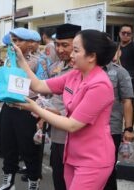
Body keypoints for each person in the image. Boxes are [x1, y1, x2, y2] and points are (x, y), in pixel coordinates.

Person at [14, 29, 117, 190]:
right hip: (72, 156)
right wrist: (21, 61)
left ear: (91, 56)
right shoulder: (74, 75)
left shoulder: (100, 85)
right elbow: (39, 85)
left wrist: (35, 107)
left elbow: (72, 125)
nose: (71, 55)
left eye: (76, 50)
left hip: (93, 160)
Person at [0, 27, 41, 190]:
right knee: (8, 146)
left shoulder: (36, 61)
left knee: (29, 149)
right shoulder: (8, 59)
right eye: (13, 40)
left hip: (27, 110)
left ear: (29, 44)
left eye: (19, 40)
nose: (15, 43)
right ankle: (8, 182)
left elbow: (42, 87)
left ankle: (33, 183)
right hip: (8, 107)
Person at [47, 23, 81, 190]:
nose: (60, 50)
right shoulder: (56, 67)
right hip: (57, 135)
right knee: (58, 178)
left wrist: (56, 112)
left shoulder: (84, 71)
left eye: (65, 45)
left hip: (77, 137)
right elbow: (47, 91)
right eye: (57, 45)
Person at [103, 46, 134, 190]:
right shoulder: (87, 70)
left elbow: (127, 101)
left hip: (111, 129)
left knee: (108, 171)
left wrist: (128, 129)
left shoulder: (120, 72)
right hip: (87, 128)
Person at [119, 24, 134, 125]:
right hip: (117, 80)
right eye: (123, 33)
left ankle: (128, 130)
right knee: (117, 106)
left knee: (129, 105)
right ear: (119, 34)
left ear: (131, 35)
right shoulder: (117, 47)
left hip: (131, 81)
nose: (125, 35)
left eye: (128, 33)